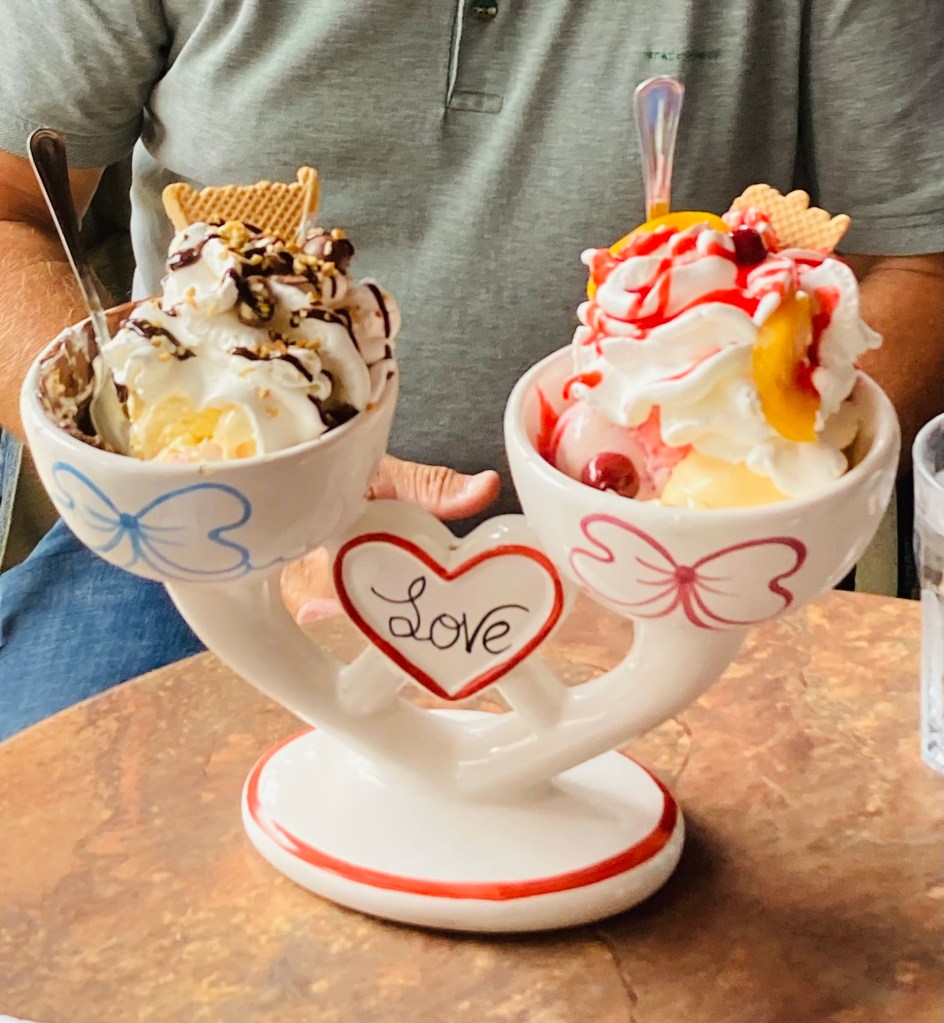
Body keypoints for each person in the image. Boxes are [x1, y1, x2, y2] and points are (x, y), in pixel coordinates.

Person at [0, 0, 941, 738]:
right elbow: (10, 208)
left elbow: (920, 265)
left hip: (678, 564)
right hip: (203, 530)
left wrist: (700, 517)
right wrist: (281, 498)